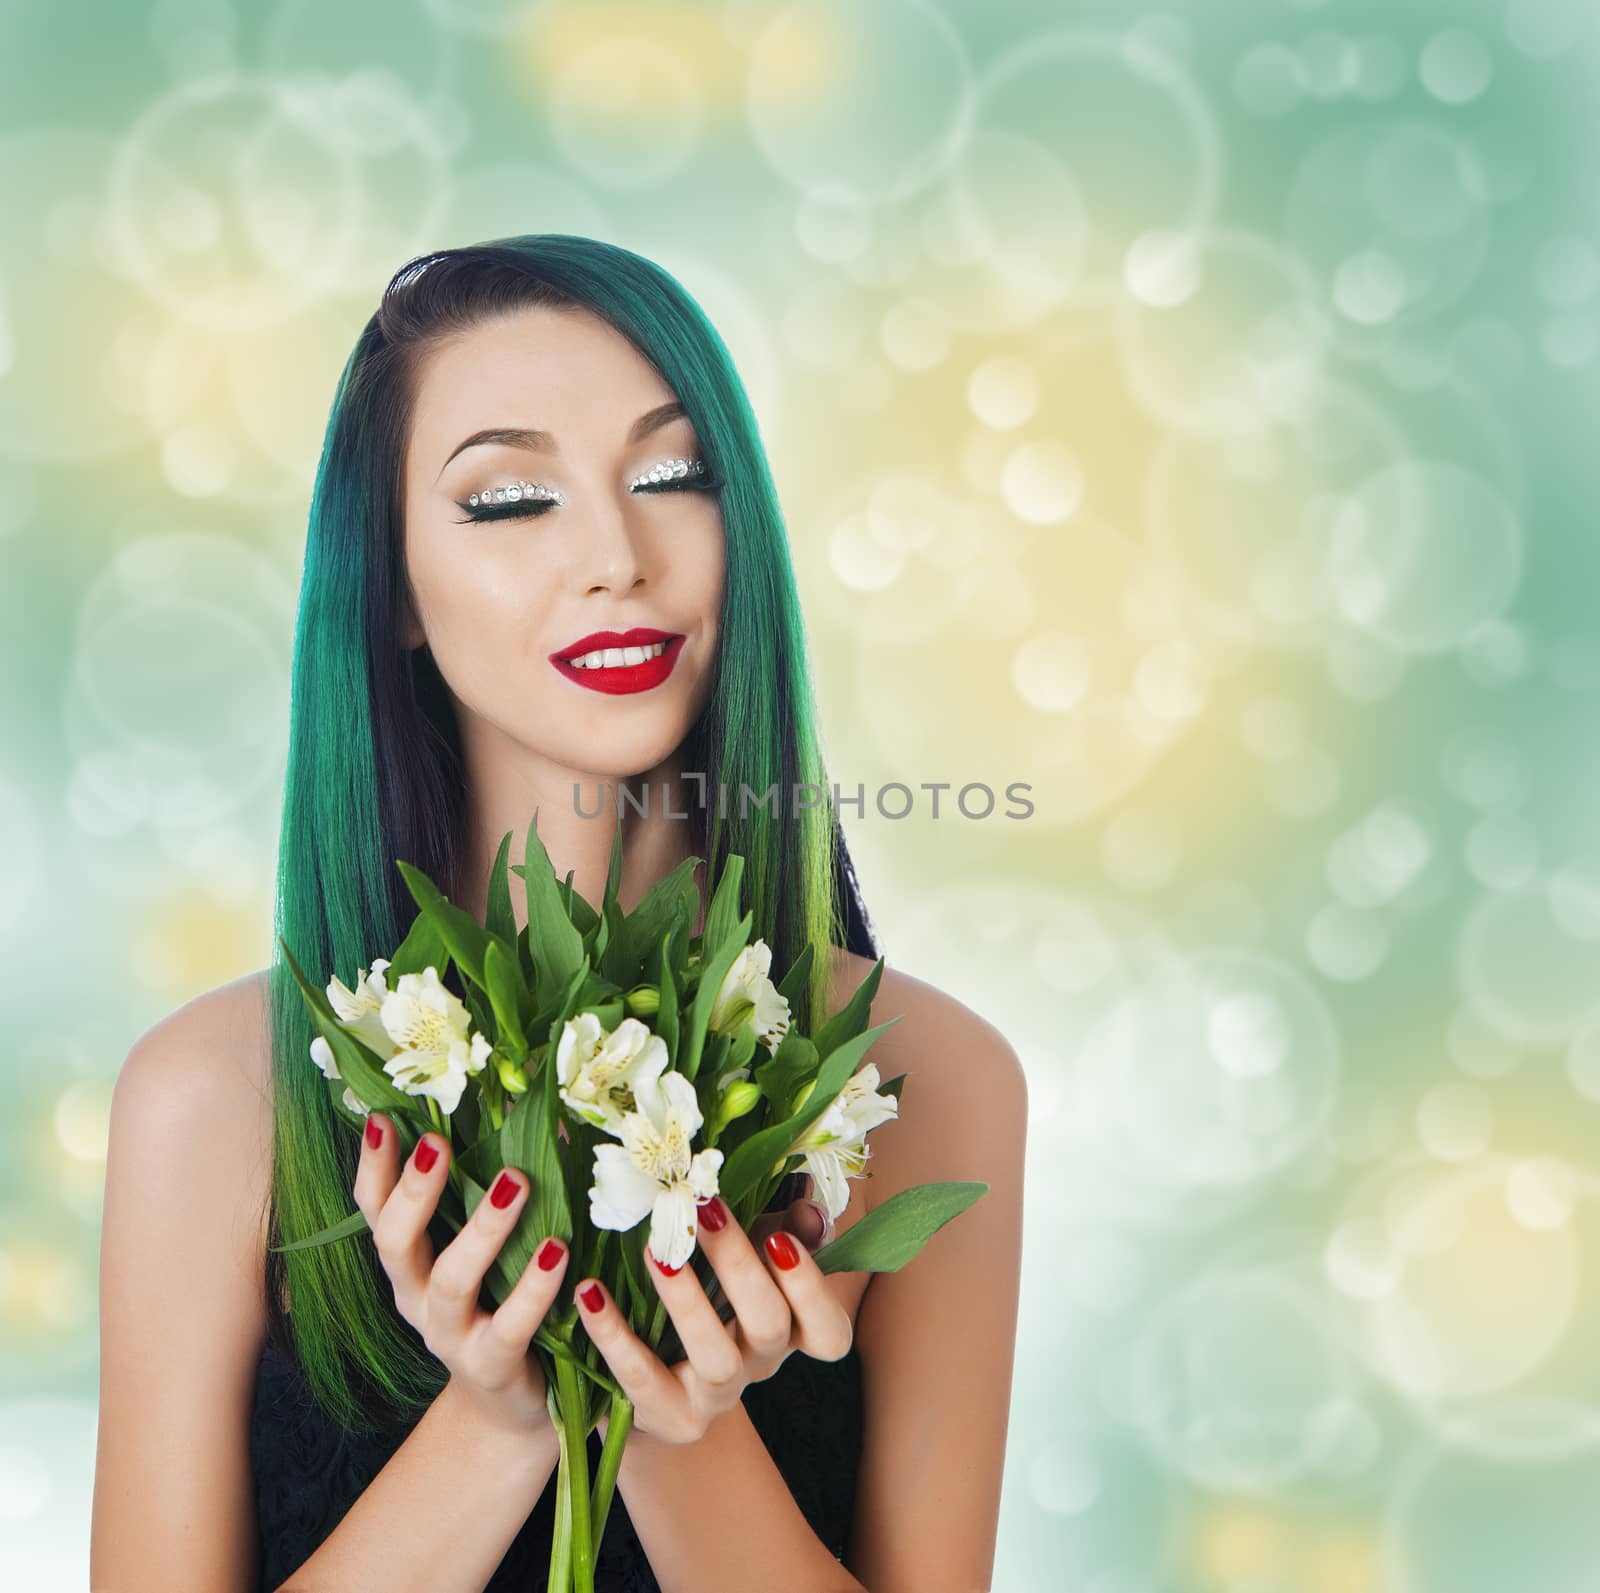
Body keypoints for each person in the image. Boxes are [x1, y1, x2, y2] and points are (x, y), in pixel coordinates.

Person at [91, 235, 1027, 1591]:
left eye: (670, 476)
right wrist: (497, 1418)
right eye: (511, 497)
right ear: (395, 588)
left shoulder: (924, 1079)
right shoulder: (214, 1093)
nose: (616, 555)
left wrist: (668, 1412)